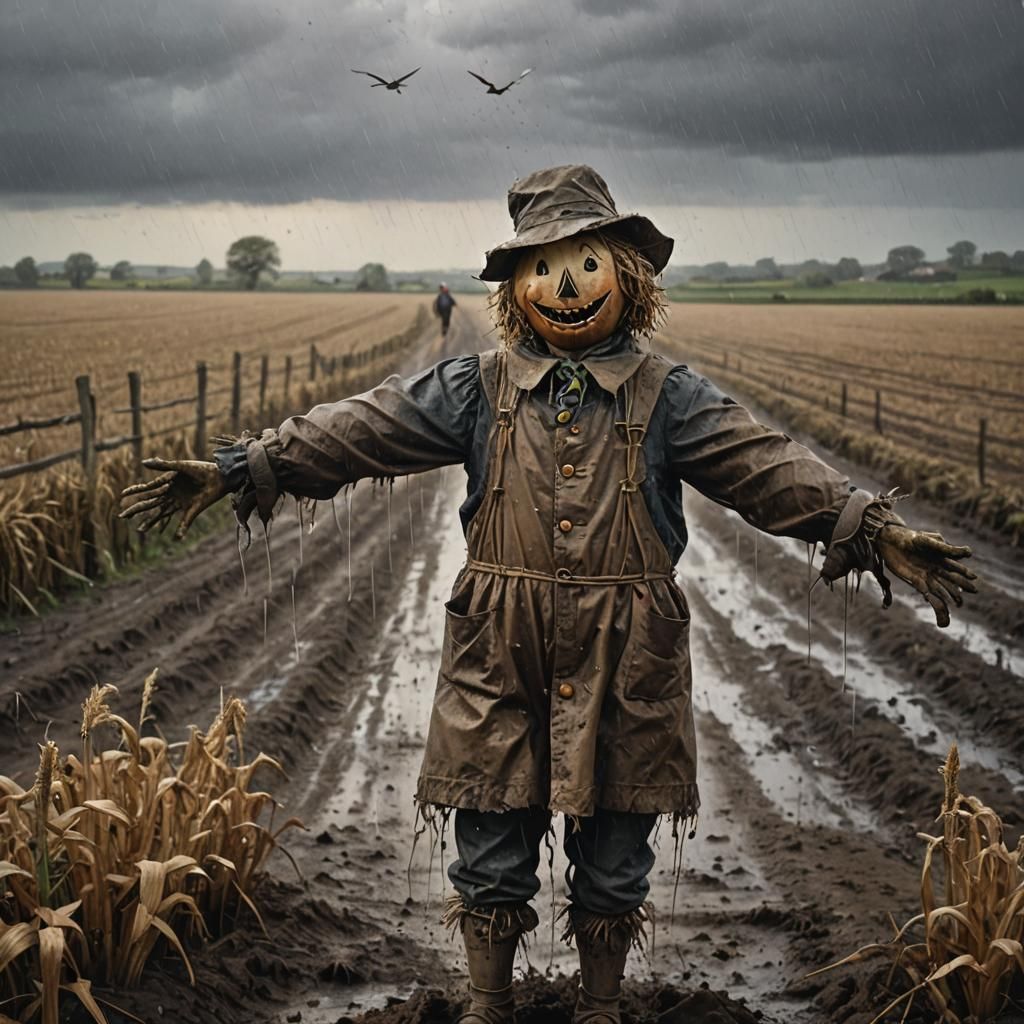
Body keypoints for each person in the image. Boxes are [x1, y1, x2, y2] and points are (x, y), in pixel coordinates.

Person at [120, 165, 976, 1024]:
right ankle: (489, 1007)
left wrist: (870, 527)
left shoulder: (668, 398)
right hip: (498, 645)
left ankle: (601, 1009)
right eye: (540, 268)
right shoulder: (474, 390)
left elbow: (764, 464)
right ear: (515, 290)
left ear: (628, 277)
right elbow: (361, 427)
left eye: (585, 264)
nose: (563, 286)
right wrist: (248, 465)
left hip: (628, 648)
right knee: (489, 833)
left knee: (615, 844)